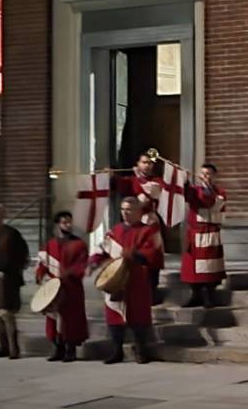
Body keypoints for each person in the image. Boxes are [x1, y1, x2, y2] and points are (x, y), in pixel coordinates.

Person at [90, 197, 164, 364]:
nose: (125, 213)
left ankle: (141, 350)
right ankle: (117, 351)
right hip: (115, 280)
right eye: (123, 209)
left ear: (139, 212)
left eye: (129, 210)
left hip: (136, 278)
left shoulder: (148, 231)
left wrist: (133, 254)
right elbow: (102, 248)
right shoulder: (114, 231)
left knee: (138, 316)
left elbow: (153, 253)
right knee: (114, 316)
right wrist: (93, 262)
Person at [35, 211, 89, 362]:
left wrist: (68, 274)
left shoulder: (78, 244)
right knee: (53, 320)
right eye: (64, 222)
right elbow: (43, 263)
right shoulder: (51, 244)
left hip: (71, 287)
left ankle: (71, 350)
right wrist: (40, 274)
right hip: (53, 288)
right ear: (58, 224)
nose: (68, 224)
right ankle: (58, 349)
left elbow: (82, 264)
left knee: (70, 319)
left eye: (70, 221)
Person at [0, 203, 30, 359]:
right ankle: (3, 347)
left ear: (0, 216)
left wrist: (10, 271)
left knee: (6, 313)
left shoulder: (11, 234)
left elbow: (22, 257)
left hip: (8, 279)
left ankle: (14, 348)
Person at [112, 151, 166, 294]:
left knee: (153, 255)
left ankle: (153, 289)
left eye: (149, 163)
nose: (147, 166)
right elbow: (119, 184)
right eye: (144, 162)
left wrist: (137, 178)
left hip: (149, 221)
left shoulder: (157, 181)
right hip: (134, 223)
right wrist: (111, 175)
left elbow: (148, 194)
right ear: (137, 164)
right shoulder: (132, 179)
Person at [181, 164, 227, 307]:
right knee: (192, 268)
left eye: (209, 174)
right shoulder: (194, 191)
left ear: (214, 176)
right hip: (196, 233)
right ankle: (195, 295)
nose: (205, 176)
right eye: (203, 173)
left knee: (210, 268)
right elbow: (187, 195)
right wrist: (185, 181)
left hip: (210, 232)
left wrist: (206, 189)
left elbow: (208, 202)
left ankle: (209, 296)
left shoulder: (220, 192)